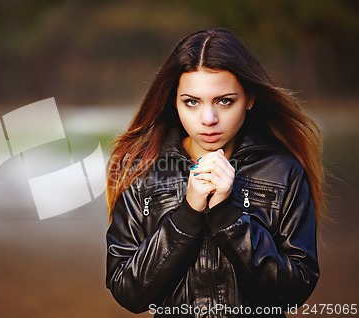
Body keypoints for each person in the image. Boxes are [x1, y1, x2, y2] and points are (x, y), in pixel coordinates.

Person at [105, 28, 323, 317]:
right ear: (174, 100)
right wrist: (187, 215)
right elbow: (128, 292)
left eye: (224, 101)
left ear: (250, 98)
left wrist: (227, 216)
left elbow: (295, 290)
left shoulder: (283, 171)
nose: (208, 119)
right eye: (192, 102)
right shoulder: (142, 171)